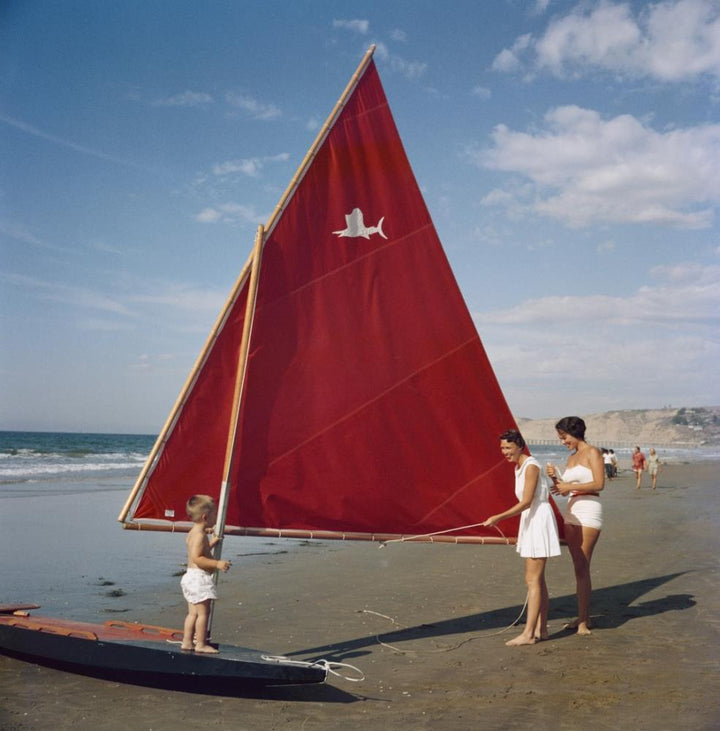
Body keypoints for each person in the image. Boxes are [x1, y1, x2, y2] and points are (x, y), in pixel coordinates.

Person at [482, 430, 561, 646]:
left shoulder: (531, 466)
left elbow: (527, 501)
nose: (504, 452)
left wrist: (498, 517)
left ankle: (528, 634)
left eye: (508, 448)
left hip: (538, 518)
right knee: (537, 578)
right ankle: (541, 629)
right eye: (502, 449)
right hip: (531, 519)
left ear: (520, 446)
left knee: (532, 579)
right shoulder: (519, 467)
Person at [546, 416, 604, 636]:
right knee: (577, 567)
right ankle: (583, 617)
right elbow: (565, 489)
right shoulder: (570, 459)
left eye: (564, 437)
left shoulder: (592, 452)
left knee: (582, 566)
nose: (563, 442)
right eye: (560, 438)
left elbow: (599, 484)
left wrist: (568, 485)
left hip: (589, 510)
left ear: (575, 432)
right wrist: (555, 480)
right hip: (571, 510)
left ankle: (582, 621)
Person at [180, 494, 231, 653]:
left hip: (190, 576)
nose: (217, 516)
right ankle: (201, 644)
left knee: (192, 614)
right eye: (215, 514)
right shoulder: (200, 535)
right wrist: (217, 563)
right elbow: (197, 557)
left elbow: (200, 550)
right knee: (203, 614)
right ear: (205, 517)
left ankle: (187, 642)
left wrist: (212, 543)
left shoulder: (193, 533)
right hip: (198, 578)